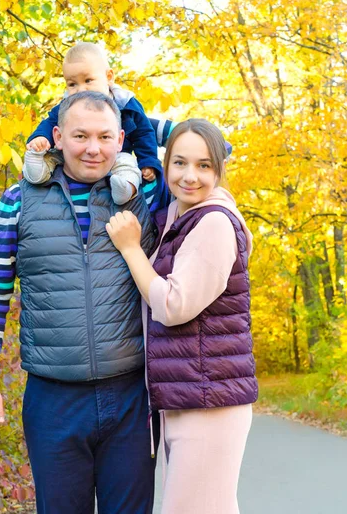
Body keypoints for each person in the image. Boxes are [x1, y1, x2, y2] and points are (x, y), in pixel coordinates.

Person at [0, 91, 162, 514]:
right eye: (80, 135)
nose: (93, 148)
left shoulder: (142, 200)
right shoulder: (17, 201)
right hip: (53, 402)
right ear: (57, 136)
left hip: (131, 397)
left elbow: (196, 171)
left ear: (121, 139)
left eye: (105, 136)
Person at [106, 118, 258, 514]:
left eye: (204, 165)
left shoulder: (213, 223)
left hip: (210, 404)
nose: (190, 176)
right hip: (188, 395)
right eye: (180, 163)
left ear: (219, 171)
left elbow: (173, 306)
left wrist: (130, 248)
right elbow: (134, 118)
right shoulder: (179, 214)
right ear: (165, 163)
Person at [24, 41, 162, 205]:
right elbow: (50, 123)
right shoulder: (67, 106)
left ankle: (125, 188)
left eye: (88, 80)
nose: (81, 89)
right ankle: (37, 171)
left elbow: (144, 133)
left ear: (109, 77)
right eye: (72, 84)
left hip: (115, 156)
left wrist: (148, 161)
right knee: (51, 157)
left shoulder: (125, 103)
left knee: (127, 163)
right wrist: (40, 138)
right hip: (70, 157)